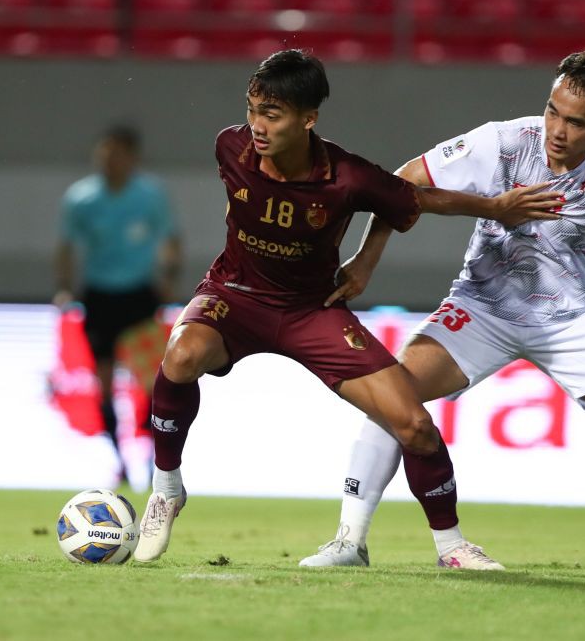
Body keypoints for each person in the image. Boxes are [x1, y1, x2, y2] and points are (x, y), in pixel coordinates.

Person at [300, 49, 585, 576]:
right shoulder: (503, 140)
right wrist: (367, 260)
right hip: (481, 309)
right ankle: (350, 540)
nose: (558, 129)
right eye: (553, 111)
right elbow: (401, 184)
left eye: (577, 122)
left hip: (570, 319)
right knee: (393, 397)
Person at [131, 49, 562, 563]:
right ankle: (166, 488)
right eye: (252, 109)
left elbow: (416, 199)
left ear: (308, 119)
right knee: (179, 355)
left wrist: (493, 208)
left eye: (272, 114)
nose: (257, 126)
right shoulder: (231, 147)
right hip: (235, 296)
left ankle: (451, 546)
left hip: (312, 311)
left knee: (415, 424)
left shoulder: (347, 177)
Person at [54, 125, 182, 466]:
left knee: (154, 379)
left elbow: (171, 238)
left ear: (133, 158)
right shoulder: (82, 198)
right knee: (104, 378)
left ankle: (153, 450)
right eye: (105, 152)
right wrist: (64, 286)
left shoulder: (149, 196)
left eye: (118, 153)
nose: (110, 160)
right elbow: (66, 246)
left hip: (140, 293)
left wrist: (169, 276)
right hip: (99, 295)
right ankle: (117, 456)